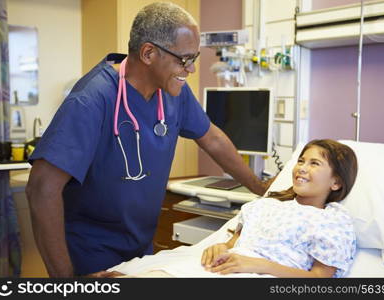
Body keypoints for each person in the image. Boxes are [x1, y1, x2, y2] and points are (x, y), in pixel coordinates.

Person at [25, 2, 271, 278]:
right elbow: (41, 188)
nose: (189, 70)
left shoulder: (173, 92)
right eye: (184, 59)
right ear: (149, 53)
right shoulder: (91, 100)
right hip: (90, 256)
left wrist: (259, 187)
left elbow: (211, 137)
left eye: (194, 58)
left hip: (140, 250)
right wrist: (67, 282)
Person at [201, 139, 358, 278]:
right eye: (301, 161)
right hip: (224, 270)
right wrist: (221, 248)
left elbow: (319, 278)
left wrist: (262, 265)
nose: (302, 168)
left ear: (336, 182)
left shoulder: (331, 221)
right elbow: (233, 243)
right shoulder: (265, 206)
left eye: (314, 163)